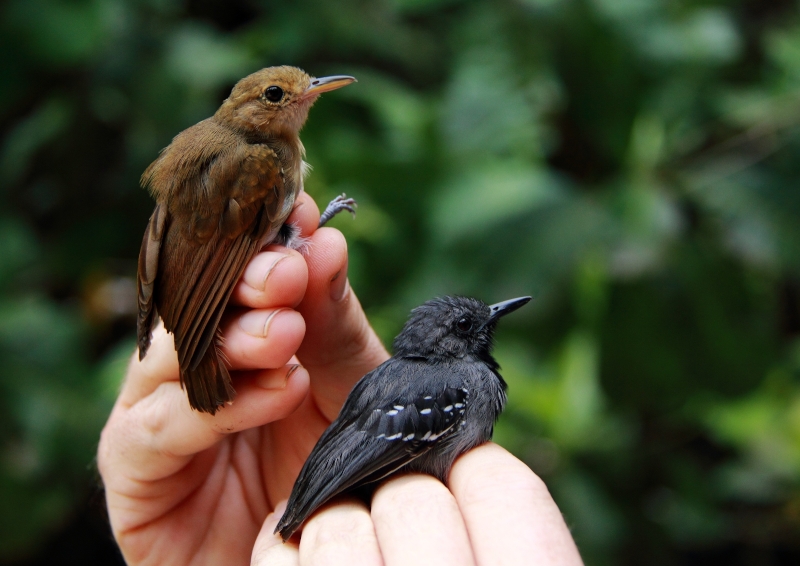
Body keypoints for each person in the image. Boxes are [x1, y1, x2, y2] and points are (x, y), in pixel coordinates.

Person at [97, 192, 585, 565]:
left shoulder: (435, 382)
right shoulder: (448, 388)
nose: (486, 320)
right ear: (446, 342)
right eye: (464, 325)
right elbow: (360, 455)